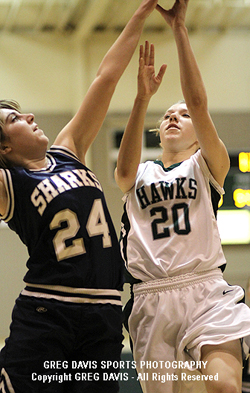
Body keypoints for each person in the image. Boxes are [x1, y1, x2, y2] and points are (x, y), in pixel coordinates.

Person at [0, 1, 160, 392]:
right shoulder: (8, 183)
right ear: (3, 147)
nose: (29, 117)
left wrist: (142, 12)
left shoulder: (68, 148)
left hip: (103, 314)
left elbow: (105, 77)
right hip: (48, 312)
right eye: (13, 119)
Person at [115, 1, 250, 392]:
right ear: (158, 131)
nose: (175, 116)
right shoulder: (137, 174)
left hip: (206, 289)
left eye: (183, 115)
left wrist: (179, 30)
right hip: (151, 299)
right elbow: (122, 172)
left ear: (198, 133)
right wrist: (141, 97)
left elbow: (199, 103)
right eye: (167, 115)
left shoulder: (208, 166)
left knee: (223, 386)